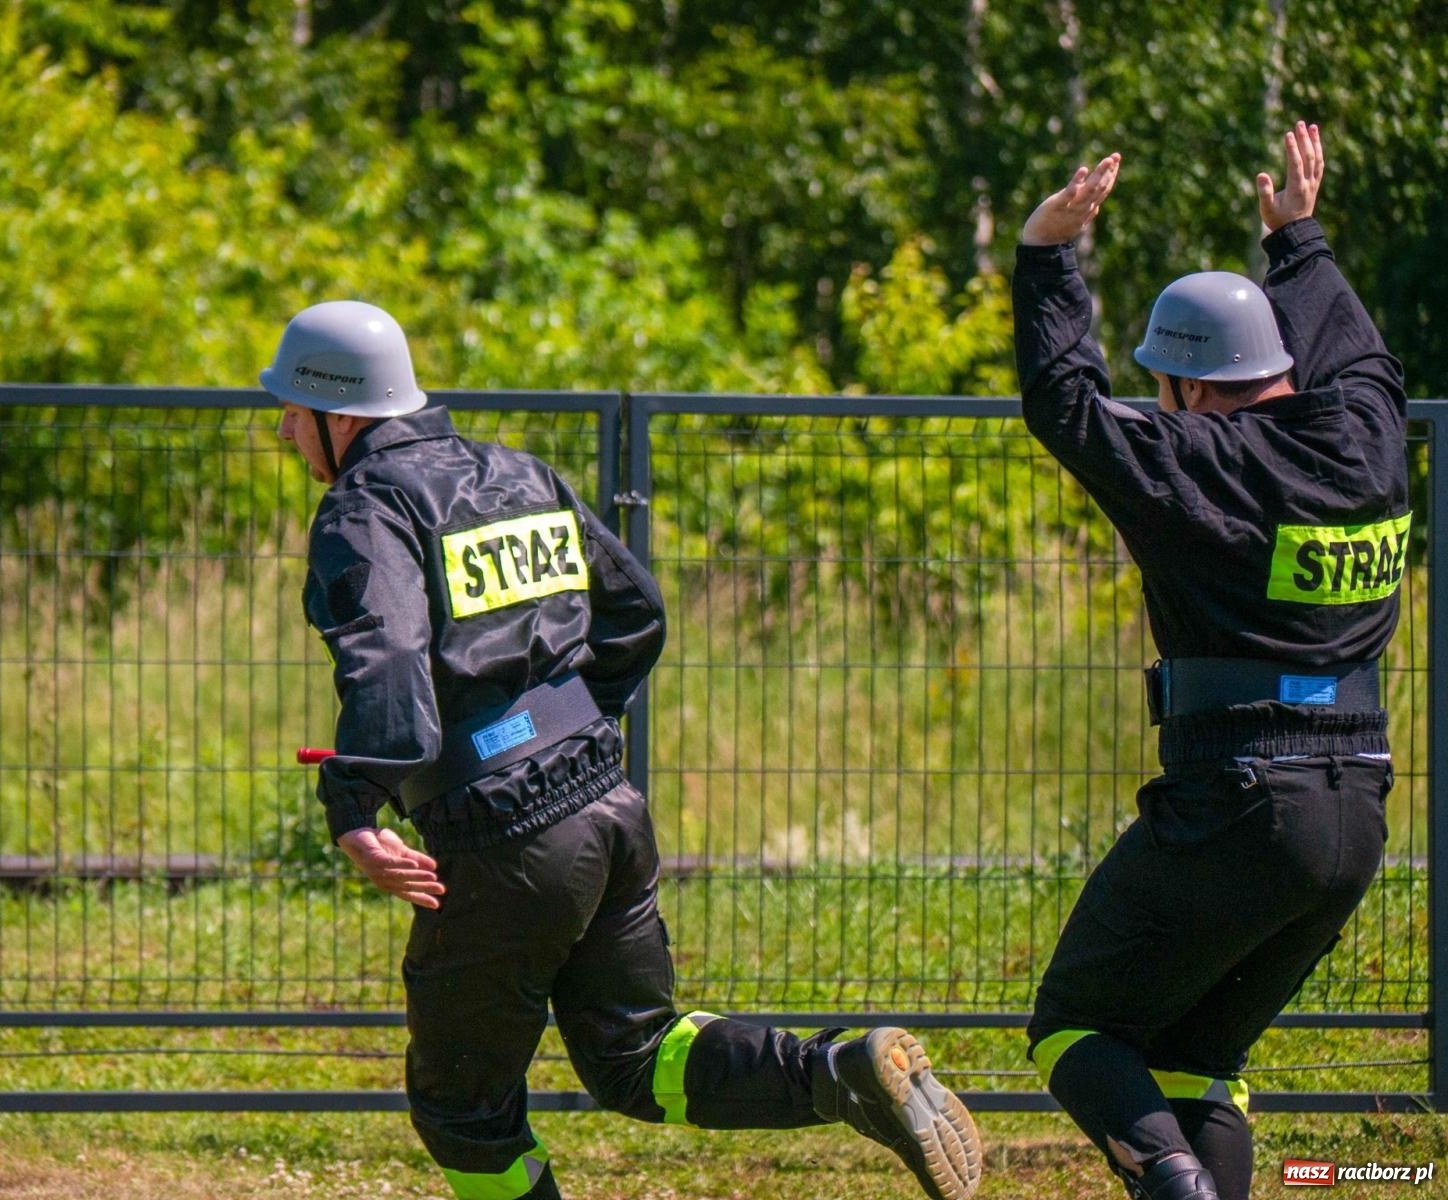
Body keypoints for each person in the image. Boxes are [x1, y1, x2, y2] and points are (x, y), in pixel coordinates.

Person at [264, 300, 983, 1200]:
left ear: (342, 413)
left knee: (463, 1109)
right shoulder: (518, 472)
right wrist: (564, 723)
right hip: (606, 802)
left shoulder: (363, 505)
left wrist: (354, 804)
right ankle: (839, 1068)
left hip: (501, 836)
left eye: (292, 408)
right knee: (639, 1057)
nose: (284, 430)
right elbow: (636, 612)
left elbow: (393, 657)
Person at [1012, 123, 1406, 1200]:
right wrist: (1302, 244)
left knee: (1074, 1026)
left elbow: (1067, 404)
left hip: (1237, 798)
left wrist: (1049, 257)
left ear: (1184, 388)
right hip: (1358, 809)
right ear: (1278, 365)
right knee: (1199, 1063)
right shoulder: (1372, 444)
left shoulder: (1194, 465)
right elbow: (1364, 361)